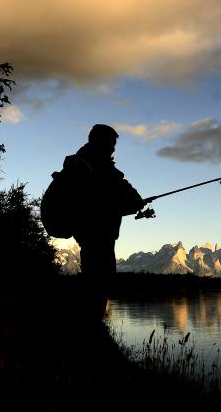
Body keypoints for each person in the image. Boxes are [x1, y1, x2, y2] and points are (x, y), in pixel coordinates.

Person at [63, 124, 146, 317]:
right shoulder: (90, 166)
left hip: (94, 232)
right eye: (112, 143)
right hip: (96, 233)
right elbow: (109, 194)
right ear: (99, 141)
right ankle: (91, 326)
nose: (114, 148)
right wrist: (134, 201)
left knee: (98, 280)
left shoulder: (91, 164)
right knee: (99, 280)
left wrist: (132, 202)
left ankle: (91, 323)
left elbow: (113, 193)